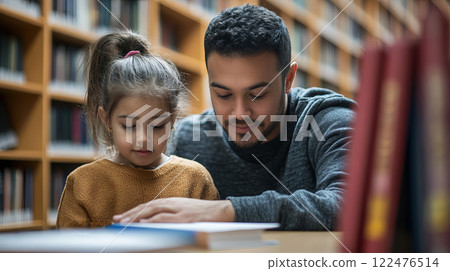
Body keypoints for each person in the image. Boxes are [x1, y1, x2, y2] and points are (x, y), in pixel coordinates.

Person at [113, 5, 355, 230]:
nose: (240, 113)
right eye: (223, 94)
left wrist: (227, 211)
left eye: (257, 94)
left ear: (288, 79)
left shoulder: (328, 121)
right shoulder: (186, 139)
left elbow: (351, 204)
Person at [57, 31, 219, 228]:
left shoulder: (195, 179)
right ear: (106, 119)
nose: (143, 139)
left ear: (173, 119)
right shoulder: (84, 183)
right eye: (129, 126)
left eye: (158, 126)